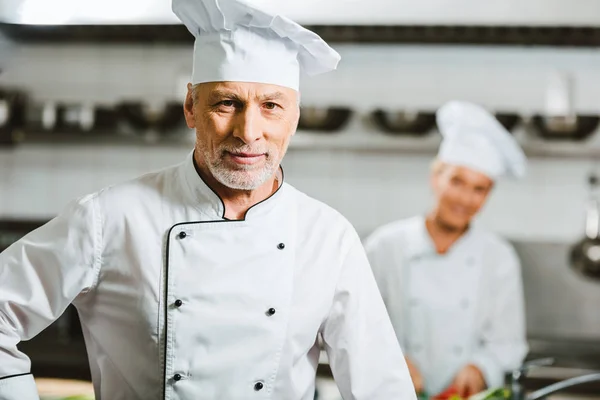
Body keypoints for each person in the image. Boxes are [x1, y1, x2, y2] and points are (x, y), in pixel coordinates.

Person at [0, 1, 416, 399]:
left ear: (295, 116)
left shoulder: (328, 237)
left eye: (271, 106)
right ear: (190, 107)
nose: (248, 131)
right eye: (227, 103)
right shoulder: (110, 218)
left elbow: (382, 388)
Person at [364, 100, 529, 399]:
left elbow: (508, 343)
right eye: (457, 181)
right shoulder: (385, 246)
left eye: (479, 189)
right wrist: (390, 359)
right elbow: (356, 326)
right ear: (435, 177)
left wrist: (481, 368)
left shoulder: (499, 258)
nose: (465, 199)